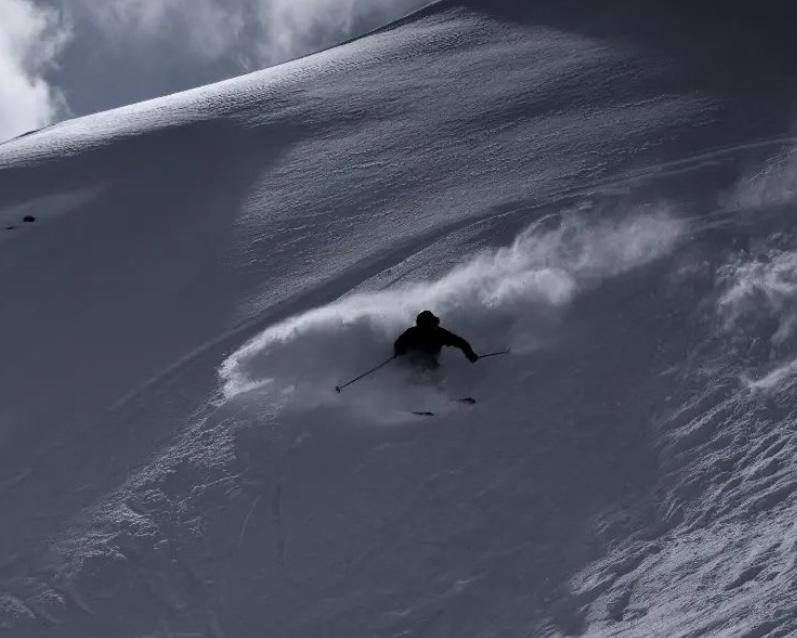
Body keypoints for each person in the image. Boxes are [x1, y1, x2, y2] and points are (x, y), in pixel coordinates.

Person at [394, 310, 479, 369]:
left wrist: (470, 354)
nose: (426, 329)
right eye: (422, 325)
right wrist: (399, 350)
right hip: (411, 363)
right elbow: (398, 343)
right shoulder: (413, 332)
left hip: (431, 364)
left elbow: (460, 342)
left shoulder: (440, 333)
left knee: (432, 370)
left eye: (430, 324)